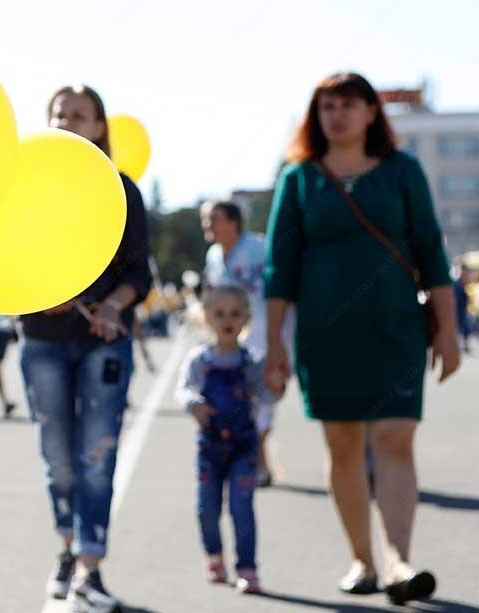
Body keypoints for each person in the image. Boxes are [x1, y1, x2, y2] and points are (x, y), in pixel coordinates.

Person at [263, 72, 460, 605]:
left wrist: (448, 330)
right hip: (325, 336)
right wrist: (275, 344)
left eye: (349, 104)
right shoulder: (299, 178)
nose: (337, 115)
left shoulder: (403, 172)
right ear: (315, 116)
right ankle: (362, 558)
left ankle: (398, 560)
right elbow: (278, 268)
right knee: (343, 443)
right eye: (327, 106)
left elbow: (431, 253)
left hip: (395, 329)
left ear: (372, 112)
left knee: (395, 438)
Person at [22, 85, 151, 611]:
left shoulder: (122, 190)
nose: (69, 121)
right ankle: (68, 549)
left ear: (100, 126)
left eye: (81, 115)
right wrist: (39, 294)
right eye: (60, 113)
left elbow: (139, 270)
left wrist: (114, 306)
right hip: (43, 342)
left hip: (105, 342)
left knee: (97, 455)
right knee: (58, 459)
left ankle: (91, 567)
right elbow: (9, 259)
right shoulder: (25, 189)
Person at [176, 286, 275, 595]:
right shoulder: (199, 360)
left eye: (235, 314)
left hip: (244, 447)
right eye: (219, 314)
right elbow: (183, 390)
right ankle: (215, 555)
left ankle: (247, 566)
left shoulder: (251, 361)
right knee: (207, 508)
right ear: (206, 318)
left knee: (242, 508)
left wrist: (277, 384)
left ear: (246, 318)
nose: (227, 320)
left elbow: (268, 395)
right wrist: (194, 403)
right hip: (209, 448)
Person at [201, 200, 281, 487]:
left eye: (214, 219)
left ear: (234, 222)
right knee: (244, 398)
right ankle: (252, 459)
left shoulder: (261, 247)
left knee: (264, 394)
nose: (208, 225)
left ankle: (258, 458)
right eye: (206, 220)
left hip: (267, 331)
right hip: (234, 338)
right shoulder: (213, 256)